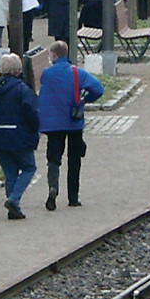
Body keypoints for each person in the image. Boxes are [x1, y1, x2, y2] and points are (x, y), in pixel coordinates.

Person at [38, 41, 102, 209]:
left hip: (54, 124)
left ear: (53, 55)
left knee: (54, 158)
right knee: (74, 159)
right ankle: (73, 197)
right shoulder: (77, 73)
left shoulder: (47, 73)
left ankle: (53, 188)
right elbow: (98, 88)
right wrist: (84, 99)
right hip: (73, 121)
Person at [0, 53, 39, 220]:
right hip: (20, 135)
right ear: (18, 70)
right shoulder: (22, 89)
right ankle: (14, 200)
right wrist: (34, 129)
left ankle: (14, 208)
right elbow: (31, 112)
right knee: (29, 167)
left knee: (10, 173)